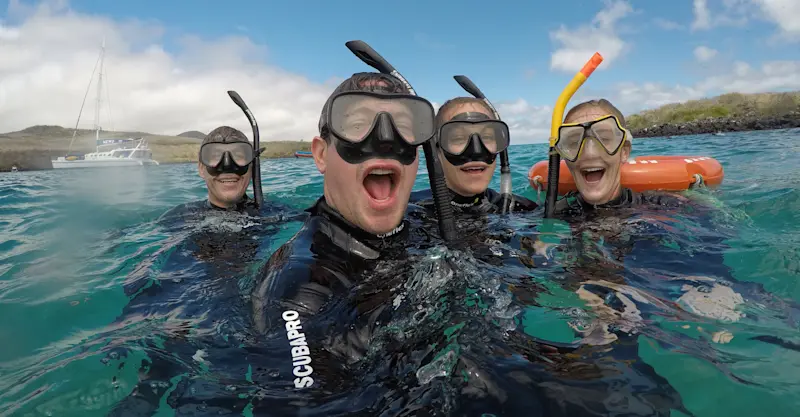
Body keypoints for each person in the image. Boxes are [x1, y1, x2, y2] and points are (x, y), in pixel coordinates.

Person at [411, 97, 538, 215]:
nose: (476, 151)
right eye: (458, 138)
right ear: (436, 149)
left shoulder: (522, 209)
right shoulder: (411, 212)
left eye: (487, 137)